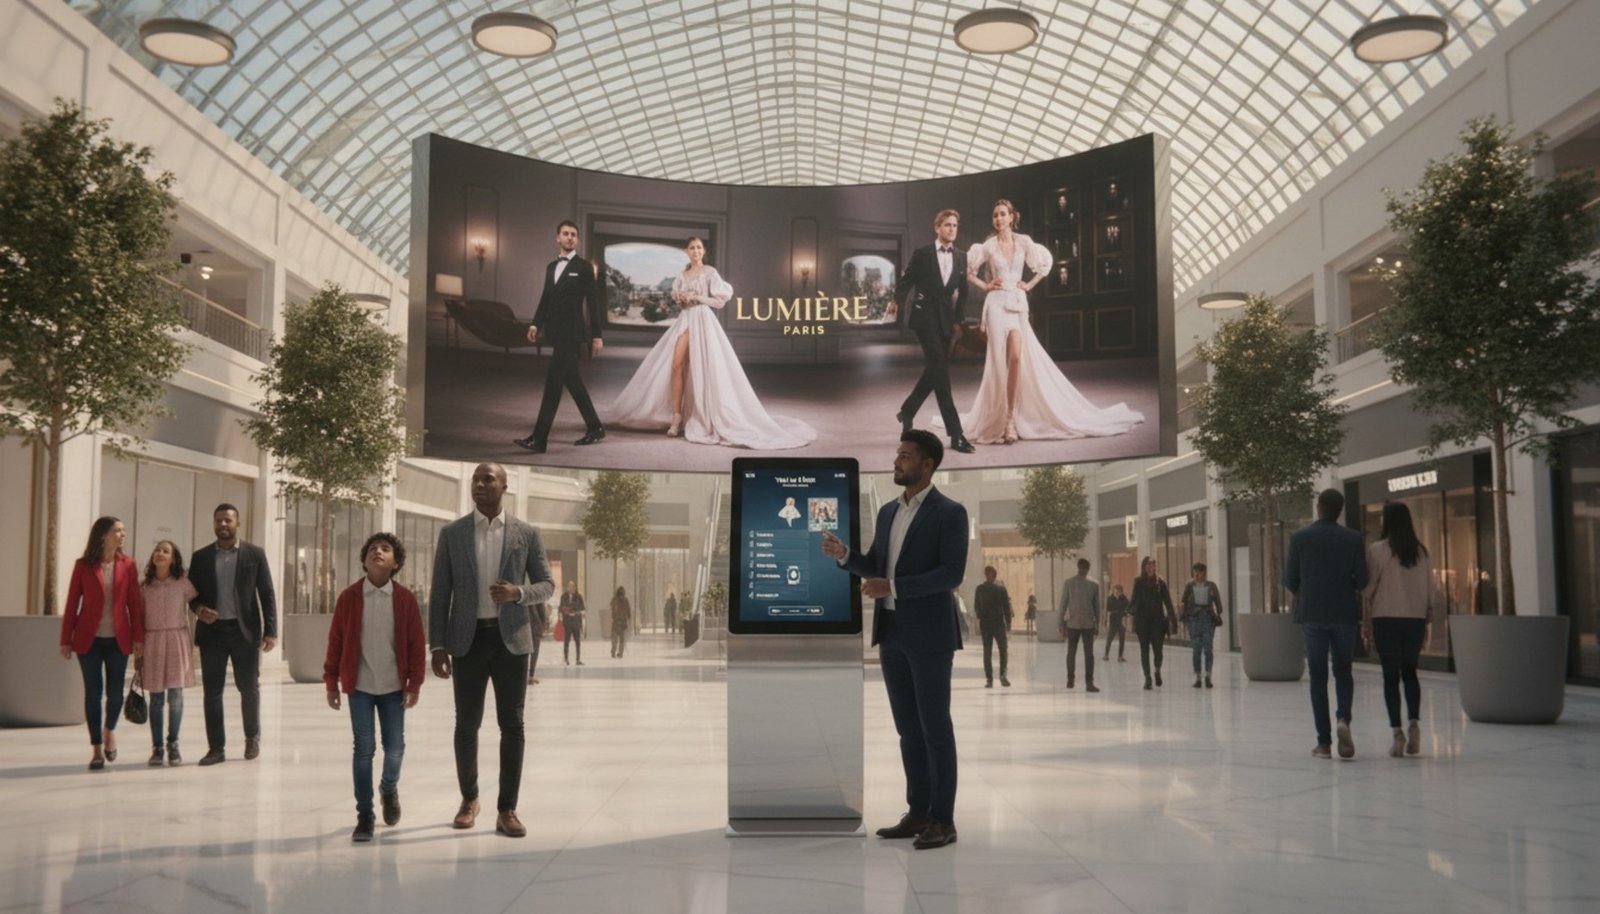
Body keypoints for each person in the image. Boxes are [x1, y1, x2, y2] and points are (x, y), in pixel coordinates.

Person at [821, 430, 968, 850]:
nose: (897, 461)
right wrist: (846, 557)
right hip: (893, 635)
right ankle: (918, 812)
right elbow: (875, 566)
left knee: (935, 728)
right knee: (909, 730)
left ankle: (944, 820)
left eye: (905, 456)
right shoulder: (888, 512)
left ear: (928, 464)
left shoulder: (950, 513)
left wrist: (894, 587)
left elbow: (950, 574)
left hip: (931, 636)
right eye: (897, 454)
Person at [429, 462, 555, 837]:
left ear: (504, 486)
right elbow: (441, 593)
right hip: (466, 641)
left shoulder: (526, 533)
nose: (479, 485)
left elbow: (546, 585)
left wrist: (518, 594)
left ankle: (507, 810)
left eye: (488, 479)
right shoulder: (452, 534)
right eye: (476, 479)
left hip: (511, 642)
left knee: (512, 725)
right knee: (466, 725)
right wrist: (437, 644)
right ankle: (469, 800)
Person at [958, 199, 1144, 444]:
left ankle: (1011, 417)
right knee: (997, 361)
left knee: (1015, 357)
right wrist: (986, 285)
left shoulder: (1023, 241)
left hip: (1017, 304)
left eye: (1003, 214)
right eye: (995, 216)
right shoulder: (988, 246)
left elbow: (1043, 265)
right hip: (995, 306)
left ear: (1012, 217)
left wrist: (1028, 285)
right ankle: (1003, 420)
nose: (999, 219)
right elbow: (968, 270)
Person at [611, 236, 816, 449]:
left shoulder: (710, 273)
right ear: (686, 251)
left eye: (699, 247)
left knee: (703, 369)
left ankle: (703, 415)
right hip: (686, 320)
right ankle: (677, 416)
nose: (696, 251)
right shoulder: (681, 276)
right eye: (692, 247)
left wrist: (698, 298)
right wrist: (682, 300)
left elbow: (720, 301)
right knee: (676, 365)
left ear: (703, 251)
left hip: (703, 321)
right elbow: (679, 304)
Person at [324, 532, 426, 843]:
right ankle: (364, 815)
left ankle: (389, 788)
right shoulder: (349, 598)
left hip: (394, 687)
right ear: (364, 559)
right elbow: (336, 642)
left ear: (396, 563)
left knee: (395, 748)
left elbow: (416, 644)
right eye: (372, 549)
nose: (377, 552)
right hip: (361, 688)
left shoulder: (405, 599)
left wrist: (415, 683)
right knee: (363, 750)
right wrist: (331, 680)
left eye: (385, 549)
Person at [1284, 488, 1369, 760]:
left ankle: (1323, 743)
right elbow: (1363, 580)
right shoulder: (1353, 538)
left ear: (1319, 508)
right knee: (1343, 670)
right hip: (1344, 613)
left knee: (1318, 677)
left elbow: (1289, 579)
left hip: (1313, 614)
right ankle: (1343, 718)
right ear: (1340, 510)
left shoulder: (1300, 538)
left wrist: (1307, 591)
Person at [189, 503, 277, 766]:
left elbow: (267, 593)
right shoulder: (201, 557)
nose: (223, 525)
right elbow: (191, 595)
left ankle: (252, 738)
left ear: (238, 523)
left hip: (244, 632)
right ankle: (216, 748)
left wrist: (271, 631)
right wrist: (199, 609)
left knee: (249, 688)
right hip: (212, 633)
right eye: (218, 521)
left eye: (227, 520)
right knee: (212, 692)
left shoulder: (255, 554)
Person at [58, 516, 143, 771]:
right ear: (103, 535)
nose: (122, 534)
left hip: (119, 638)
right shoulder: (83, 566)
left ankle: (110, 731)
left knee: (115, 693)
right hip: (89, 640)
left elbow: (134, 605)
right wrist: (66, 639)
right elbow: (72, 603)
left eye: (123, 530)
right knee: (93, 694)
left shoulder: (128, 565)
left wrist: (138, 638)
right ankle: (96, 747)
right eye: (118, 530)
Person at [515, 220, 606, 454]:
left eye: (574, 235)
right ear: (557, 238)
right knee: (573, 381)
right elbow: (545, 299)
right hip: (555, 333)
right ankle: (595, 428)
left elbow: (593, 303)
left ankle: (539, 438)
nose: (570, 238)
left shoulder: (584, 267)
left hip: (572, 335)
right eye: (565, 234)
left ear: (577, 240)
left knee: (553, 384)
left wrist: (597, 335)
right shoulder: (550, 267)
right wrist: (535, 323)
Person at [889, 210, 975, 454]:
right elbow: (907, 280)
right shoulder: (923, 253)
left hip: (946, 320)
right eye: (947, 225)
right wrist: (897, 299)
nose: (952, 229)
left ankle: (907, 411)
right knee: (941, 374)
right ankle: (956, 434)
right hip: (924, 317)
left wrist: (959, 321)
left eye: (955, 226)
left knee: (934, 372)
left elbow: (964, 292)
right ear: (937, 227)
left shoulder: (961, 256)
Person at [1361, 502, 1434, 758]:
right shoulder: (1421, 552)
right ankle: (1415, 725)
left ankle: (1397, 733)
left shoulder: (1378, 550)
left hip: (1386, 618)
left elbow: (1368, 589)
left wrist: (1365, 620)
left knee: (1390, 677)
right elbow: (1429, 590)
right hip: (1414, 618)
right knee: (1410, 673)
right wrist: (1426, 619)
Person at [138, 540, 197, 767]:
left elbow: (195, 606)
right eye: (157, 550)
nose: (160, 553)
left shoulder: (182, 583)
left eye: (166, 551)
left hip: (176, 641)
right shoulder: (145, 587)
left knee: (175, 696)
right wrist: (138, 648)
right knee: (156, 698)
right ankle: (157, 748)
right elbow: (140, 617)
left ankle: (173, 744)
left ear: (173, 559)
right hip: (152, 641)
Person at [1130, 557, 1176, 690]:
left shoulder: (1161, 582)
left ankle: (1157, 670)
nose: (1151, 568)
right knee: (1144, 650)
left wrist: (1173, 619)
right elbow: (1134, 599)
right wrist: (1128, 610)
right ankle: (1147, 677)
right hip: (1142, 621)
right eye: (1148, 565)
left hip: (1158, 621)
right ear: (1144, 567)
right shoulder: (1138, 582)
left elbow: (1168, 602)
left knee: (1158, 650)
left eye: (1153, 565)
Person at [1057, 558, 1101, 692]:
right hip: (1087, 624)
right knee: (1088, 654)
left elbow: (1063, 605)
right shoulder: (1093, 585)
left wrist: (1060, 624)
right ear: (1088, 569)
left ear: (1079, 567)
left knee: (1072, 653)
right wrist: (1097, 625)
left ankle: (1071, 680)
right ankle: (1089, 683)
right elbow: (1097, 607)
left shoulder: (1069, 583)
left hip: (1073, 624)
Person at [1180, 563, 1224, 689]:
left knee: (1208, 648)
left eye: (1199, 572)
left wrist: (1217, 613)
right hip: (1194, 620)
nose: (1197, 575)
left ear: (1204, 573)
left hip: (1208, 620)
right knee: (1196, 650)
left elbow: (1219, 604)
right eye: (1195, 572)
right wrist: (1185, 618)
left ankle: (1208, 676)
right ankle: (1198, 676)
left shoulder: (1211, 586)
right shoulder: (1189, 586)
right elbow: (1184, 602)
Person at [972, 566, 1011, 688]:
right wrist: (1008, 622)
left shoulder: (979, 589)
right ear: (995, 576)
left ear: (985, 574)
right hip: (998, 623)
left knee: (987, 651)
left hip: (986, 624)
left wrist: (981, 617)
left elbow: (976, 606)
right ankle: (1003, 676)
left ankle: (989, 679)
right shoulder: (1001, 590)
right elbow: (1006, 607)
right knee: (1003, 650)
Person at [559, 579, 586, 666]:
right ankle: (566, 658)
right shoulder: (564, 596)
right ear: (567, 588)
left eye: (573, 586)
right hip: (567, 622)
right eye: (569, 586)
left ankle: (578, 659)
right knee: (566, 641)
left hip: (576, 622)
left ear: (575, 587)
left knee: (577, 641)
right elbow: (561, 607)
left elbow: (582, 608)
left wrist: (574, 611)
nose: (571, 588)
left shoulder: (578, 596)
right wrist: (567, 611)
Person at [1103, 584, 1129, 661]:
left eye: (1118, 592)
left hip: (1121, 620)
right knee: (1110, 638)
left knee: (1122, 639)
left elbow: (1127, 607)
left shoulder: (1124, 598)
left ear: (1121, 592)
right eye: (1115, 591)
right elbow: (1108, 609)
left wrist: (1125, 616)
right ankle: (1106, 655)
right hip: (1113, 620)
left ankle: (1120, 656)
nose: (1117, 593)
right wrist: (1106, 622)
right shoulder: (1110, 598)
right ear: (1113, 591)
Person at [610, 586, 632, 659]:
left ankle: (613, 651)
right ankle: (620, 652)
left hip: (616, 621)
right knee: (622, 639)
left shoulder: (614, 600)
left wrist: (613, 616)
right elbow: (628, 611)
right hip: (623, 622)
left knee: (614, 638)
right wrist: (628, 617)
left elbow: (612, 608)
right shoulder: (626, 600)